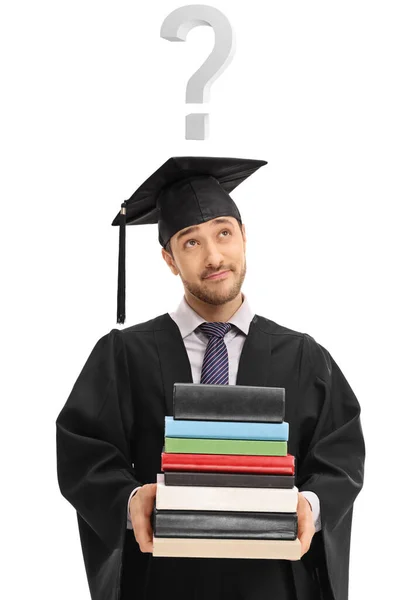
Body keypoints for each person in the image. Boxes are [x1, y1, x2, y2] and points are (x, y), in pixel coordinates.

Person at [55, 156, 365, 600]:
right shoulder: (123, 355)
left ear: (244, 237)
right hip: (162, 583)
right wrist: (129, 500)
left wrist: (309, 506)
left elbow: (341, 458)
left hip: (273, 582)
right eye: (191, 242)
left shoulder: (303, 356)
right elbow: (84, 452)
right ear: (169, 258)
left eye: (224, 232)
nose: (214, 256)